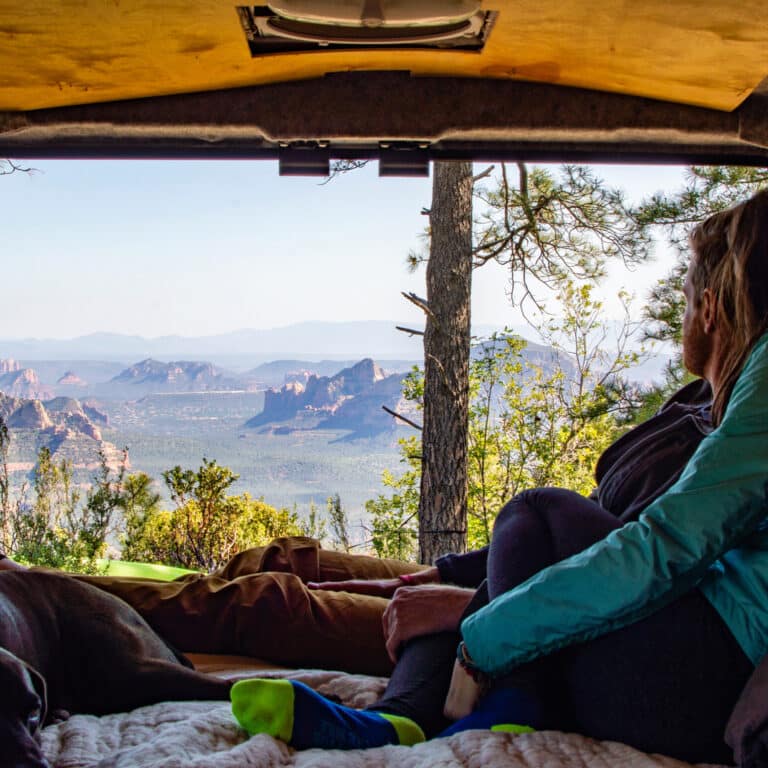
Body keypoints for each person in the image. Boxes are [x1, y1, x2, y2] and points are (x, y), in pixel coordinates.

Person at [230, 190, 768, 765]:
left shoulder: (738, 413)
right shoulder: (704, 407)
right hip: (665, 652)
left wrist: (482, 628)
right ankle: (400, 720)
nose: (680, 316)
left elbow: (659, 548)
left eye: (684, 301)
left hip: (685, 681)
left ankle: (488, 700)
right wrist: (458, 584)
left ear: (711, 309)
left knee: (533, 513)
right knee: (325, 571)